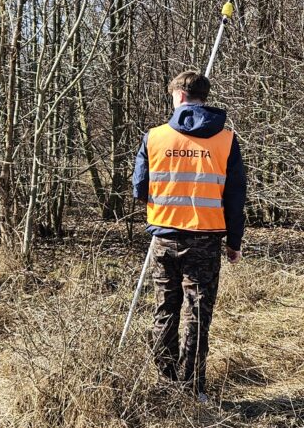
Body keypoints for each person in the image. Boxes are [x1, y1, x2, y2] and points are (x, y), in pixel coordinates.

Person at [131, 70, 246, 402]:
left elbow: (140, 188)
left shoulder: (154, 137)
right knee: (197, 314)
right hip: (206, 240)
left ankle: (166, 383)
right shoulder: (226, 140)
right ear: (202, 98)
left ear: (179, 96)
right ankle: (192, 389)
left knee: (165, 309)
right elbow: (236, 197)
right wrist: (234, 242)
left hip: (165, 238)